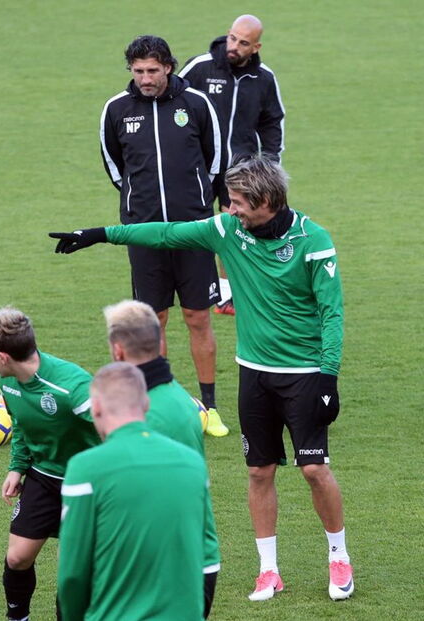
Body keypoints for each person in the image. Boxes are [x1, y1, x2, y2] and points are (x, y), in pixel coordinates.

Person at [50, 155, 355, 601]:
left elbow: (333, 312)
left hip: (305, 374)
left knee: (313, 468)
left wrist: (328, 377)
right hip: (254, 373)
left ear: (264, 200)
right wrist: (98, 235)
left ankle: (338, 555)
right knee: (258, 470)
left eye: (236, 203)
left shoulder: (314, 240)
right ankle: (269, 570)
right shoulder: (228, 231)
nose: (229, 210)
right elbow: (165, 232)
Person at [99, 35, 230, 437]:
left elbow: (216, 161)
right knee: (153, 321)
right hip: (143, 233)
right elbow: (114, 165)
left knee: (197, 317)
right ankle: (162, 406)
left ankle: (209, 408)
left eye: (152, 70)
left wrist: (195, 202)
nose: (145, 78)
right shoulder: (116, 110)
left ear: (168, 67)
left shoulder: (195, 104)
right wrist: (139, 206)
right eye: (138, 71)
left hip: (192, 231)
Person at [0, 307, 100, 621]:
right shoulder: (9, 382)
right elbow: (21, 424)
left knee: (75, 572)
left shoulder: (73, 386)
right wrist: (17, 467)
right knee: (17, 558)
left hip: (88, 485)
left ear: (3, 356)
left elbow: (118, 431)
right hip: (43, 477)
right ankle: (18, 618)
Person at [58, 362, 210, 621]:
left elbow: (72, 572)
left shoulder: (85, 468)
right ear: (146, 405)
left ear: (95, 408)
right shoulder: (193, 463)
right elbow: (206, 552)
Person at [103, 299, 220, 618]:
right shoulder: (181, 399)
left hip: (165, 565)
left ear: (118, 351)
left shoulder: (141, 414)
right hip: (196, 553)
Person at [179, 14, 285, 316]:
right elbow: (173, 100)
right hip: (199, 167)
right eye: (233, 38)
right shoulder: (200, 67)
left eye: (243, 43)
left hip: (240, 169)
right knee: (197, 227)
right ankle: (196, 288)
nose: (234, 46)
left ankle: (228, 294)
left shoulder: (263, 78)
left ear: (256, 46)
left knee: (236, 227)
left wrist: (271, 161)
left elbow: (272, 121)